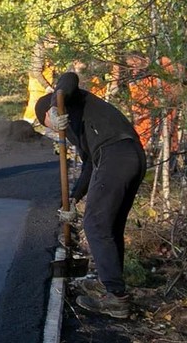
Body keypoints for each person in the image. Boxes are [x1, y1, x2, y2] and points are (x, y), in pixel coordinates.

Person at [35, 71, 146, 319]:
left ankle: (116, 299)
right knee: (111, 225)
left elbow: (69, 78)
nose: (51, 127)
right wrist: (73, 198)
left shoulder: (71, 99)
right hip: (131, 155)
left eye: (47, 121)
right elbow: (88, 163)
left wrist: (55, 105)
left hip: (116, 153)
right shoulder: (77, 124)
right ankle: (111, 284)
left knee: (95, 224)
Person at [23, 36, 55, 125]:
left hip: (44, 86)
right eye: (53, 43)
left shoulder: (47, 51)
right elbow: (36, 72)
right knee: (33, 108)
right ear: (46, 42)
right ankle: (24, 127)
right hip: (38, 86)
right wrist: (47, 86)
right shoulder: (39, 53)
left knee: (47, 108)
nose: (55, 45)